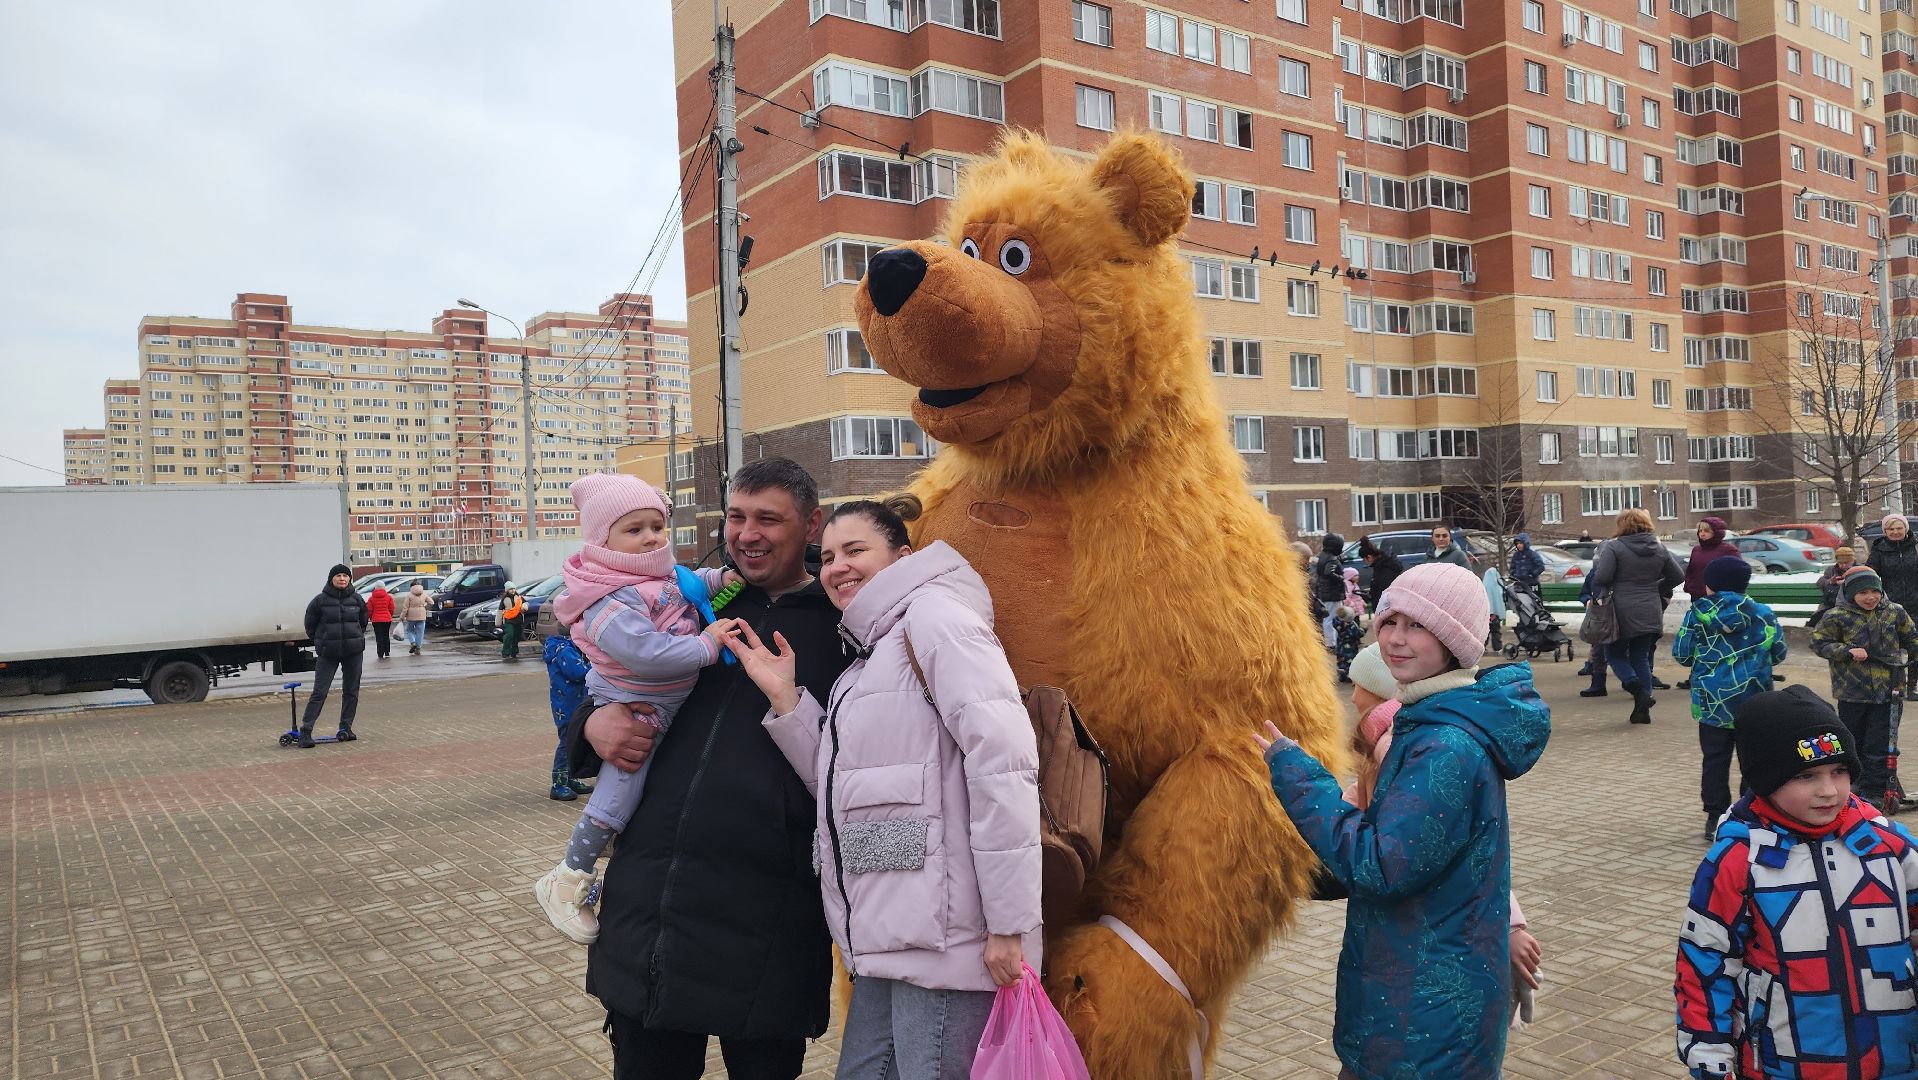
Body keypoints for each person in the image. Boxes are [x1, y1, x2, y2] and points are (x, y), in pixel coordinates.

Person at [724, 496, 1042, 1080]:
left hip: (948, 941)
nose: (837, 567)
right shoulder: (870, 657)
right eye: (827, 557)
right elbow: (846, 790)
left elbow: (1004, 765)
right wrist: (787, 699)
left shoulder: (937, 622)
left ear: (903, 556)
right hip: (888, 934)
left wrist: (1008, 924)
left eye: (855, 550)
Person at [570, 458, 846, 1080]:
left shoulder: (842, 624)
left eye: (768, 519)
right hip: (654, 902)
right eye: (737, 516)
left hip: (769, 909)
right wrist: (589, 725)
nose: (747, 534)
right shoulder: (690, 602)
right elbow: (615, 679)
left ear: (811, 525)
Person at [1256, 562, 1550, 1080]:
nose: (1394, 639)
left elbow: (1382, 867)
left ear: (1453, 641)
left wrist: (1300, 779)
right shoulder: (1426, 725)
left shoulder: (1445, 746)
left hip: (1426, 1015)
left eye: (1417, 626)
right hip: (1411, 994)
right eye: (1389, 621)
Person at [1675, 686, 1918, 1080]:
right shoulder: (1737, 861)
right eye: (1806, 776)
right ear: (1766, 780)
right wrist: (1708, 1054)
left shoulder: (1888, 844)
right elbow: (1706, 961)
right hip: (1785, 1063)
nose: (1828, 791)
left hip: (1895, 1060)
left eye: (1839, 772)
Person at [533, 475, 735, 944]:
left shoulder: (658, 576)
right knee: (619, 792)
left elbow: (688, 586)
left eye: (657, 527)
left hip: (665, 703)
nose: (650, 538)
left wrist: (721, 579)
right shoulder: (606, 598)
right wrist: (706, 646)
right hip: (636, 705)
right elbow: (645, 653)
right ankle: (568, 877)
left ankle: (602, 848)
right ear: (603, 541)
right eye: (634, 529)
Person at [1340, 641, 1546, 1034]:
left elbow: (1473, 853)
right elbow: (1352, 808)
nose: (1351, 696)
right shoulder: (1383, 743)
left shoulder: (1407, 747)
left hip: (1433, 936)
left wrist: (1511, 927)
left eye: (1358, 685)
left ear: (1383, 688)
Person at [1672, 556, 1787, 840]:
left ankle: (1715, 817)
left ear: (1710, 584)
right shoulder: (1763, 612)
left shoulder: (1698, 613)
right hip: (1755, 700)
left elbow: (1682, 655)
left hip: (1712, 702)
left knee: (1714, 760)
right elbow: (1779, 652)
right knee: (1753, 759)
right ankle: (1752, 813)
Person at [1811, 566, 1918, 815]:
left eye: (1874, 592)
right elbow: (1819, 643)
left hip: (1889, 691)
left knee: (1880, 745)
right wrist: (1846, 651)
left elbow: (1912, 639)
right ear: (1851, 594)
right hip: (1853, 692)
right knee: (1854, 742)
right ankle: (1853, 787)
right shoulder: (1837, 616)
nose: (1870, 597)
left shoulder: (1894, 612)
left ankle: (1875, 792)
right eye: (1863, 593)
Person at [1590, 507, 1685, 725]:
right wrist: (1656, 588)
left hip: (1621, 610)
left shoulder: (1614, 547)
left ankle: (1636, 689)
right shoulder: (1659, 548)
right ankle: (1643, 707)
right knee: (1640, 656)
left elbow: (1602, 577)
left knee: (1614, 654)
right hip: (1651, 608)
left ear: (1622, 525)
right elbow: (1678, 576)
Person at [299, 563, 368, 747]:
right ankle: (306, 731)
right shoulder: (319, 601)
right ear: (331, 579)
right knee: (319, 692)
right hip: (328, 653)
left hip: (353, 653)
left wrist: (355, 638)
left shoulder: (357, 599)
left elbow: (363, 622)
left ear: (349, 579)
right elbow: (310, 626)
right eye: (338, 576)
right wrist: (321, 641)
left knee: (351, 691)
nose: (342, 579)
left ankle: (346, 727)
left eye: (345, 576)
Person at [543, 618, 593, 802]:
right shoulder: (564, 649)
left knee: (573, 742)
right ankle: (558, 784)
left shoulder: (564, 647)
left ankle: (570, 777)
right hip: (568, 705)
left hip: (571, 703)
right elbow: (578, 672)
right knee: (566, 742)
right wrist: (595, 666)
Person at [1682, 517, 1737, 602]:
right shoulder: (1696, 550)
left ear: (1716, 532)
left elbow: (1738, 573)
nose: (1702, 534)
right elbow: (1690, 571)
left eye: (1706, 531)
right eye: (1700, 531)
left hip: (1720, 598)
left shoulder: (1728, 550)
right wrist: (1689, 586)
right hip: (1697, 597)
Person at [1313, 533, 1348, 646]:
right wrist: (1341, 578)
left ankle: (1332, 641)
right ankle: (1332, 643)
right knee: (1332, 618)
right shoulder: (1332, 558)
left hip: (1324, 591)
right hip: (1332, 593)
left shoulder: (1322, 556)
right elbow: (1329, 572)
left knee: (1328, 618)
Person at [1812, 544, 1859, 627]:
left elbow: (1865, 585)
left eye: (1846, 563)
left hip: (1852, 605)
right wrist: (1830, 581)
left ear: (1852, 561)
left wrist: (1847, 582)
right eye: (1840, 563)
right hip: (1830, 604)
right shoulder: (1831, 570)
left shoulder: (1860, 569)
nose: (1843, 565)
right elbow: (1820, 582)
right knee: (1816, 620)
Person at [1356, 536, 1403, 614]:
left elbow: (1384, 588)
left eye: (1364, 560)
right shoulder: (1382, 565)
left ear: (1369, 557)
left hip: (1386, 609)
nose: (1365, 563)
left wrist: (1373, 592)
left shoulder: (1384, 568)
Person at [1330, 603, 1364, 682]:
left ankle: (1342, 672)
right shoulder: (1352, 626)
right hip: (1350, 648)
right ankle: (1349, 674)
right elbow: (1359, 634)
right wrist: (1364, 629)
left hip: (1340, 647)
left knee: (1341, 660)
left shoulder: (1337, 624)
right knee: (1350, 661)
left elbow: (1335, 620)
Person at [400, 581, 430, 655]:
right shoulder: (424, 594)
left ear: (411, 587)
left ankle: (413, 642)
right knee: (420, 632)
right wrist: (424, 607)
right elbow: (431, 602)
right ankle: (418, 649)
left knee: (409, 630)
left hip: (411, 616)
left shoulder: (409, 595)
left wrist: (402, 617)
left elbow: (405, 608)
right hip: (422, 615)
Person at [367, 584, 394, 660]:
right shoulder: (389, 597)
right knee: (386, 635)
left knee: (379, 636)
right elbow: (392, 608)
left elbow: (369, 610)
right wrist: (389, 615)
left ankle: (380, 653)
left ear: (375, 588)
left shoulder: (371, 598)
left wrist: (371, 617)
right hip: (387, 619)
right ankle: (387, 652)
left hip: (376, 620)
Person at [499, 583, 526, 661]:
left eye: (514, 588)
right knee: (509, 635)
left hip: (518, 620)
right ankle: (505, 652)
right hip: (508, 620)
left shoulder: (519, 597)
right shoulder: (504, 599)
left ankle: (514, 652)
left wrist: (524, 607)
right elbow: (500, 610)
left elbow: (525, 603)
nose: (513, 590)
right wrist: (498, 622)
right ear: (507, 590)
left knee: (516, 636)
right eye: (510, 589)